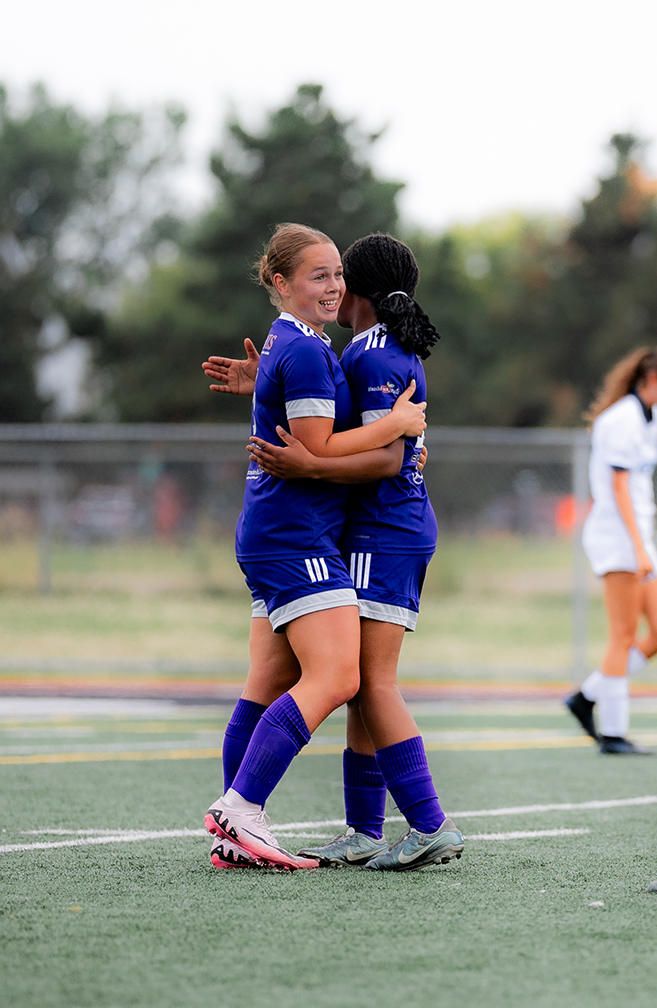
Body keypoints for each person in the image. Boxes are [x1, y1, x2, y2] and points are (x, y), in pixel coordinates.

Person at [206, 233, 465, 872]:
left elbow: (380, 456)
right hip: (310, 534)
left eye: (339, 275)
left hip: (375, 531)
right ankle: (251, 815)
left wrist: (338, 454)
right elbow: (344, 441)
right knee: (343, 680)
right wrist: (272, 396)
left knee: (354, 681)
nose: (332, 286)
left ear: (359, 287)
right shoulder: (323, 346)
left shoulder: (360, 350)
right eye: (320, 275)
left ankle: (411, 823)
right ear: (281, 282)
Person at [565, 344, 657, 754]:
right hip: (617, 536)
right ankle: (612, 733)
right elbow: (619, 487)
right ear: (653, 380)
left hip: (638, 537)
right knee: (623, 636)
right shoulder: (620, 419)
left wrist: (644, 544)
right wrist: (639, 549)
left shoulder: (655, 416)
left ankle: (587, 696)